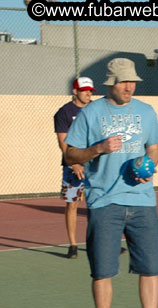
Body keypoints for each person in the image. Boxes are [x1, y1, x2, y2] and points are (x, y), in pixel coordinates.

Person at [65, 58, 158, 308]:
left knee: (150, 269)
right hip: (104, 200)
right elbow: (70, 154)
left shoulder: (146, 111)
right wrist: (98, 149)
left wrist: (150, 166)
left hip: (142, 200)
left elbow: (154, 148)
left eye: (133, 82)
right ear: (110, 83)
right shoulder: (91, 113)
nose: (129, 86)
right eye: (123, 82)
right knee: (103, 270)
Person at [54, 77, 96, 259]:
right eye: (84, 90)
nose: (88, 93)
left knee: (100, 205)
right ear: (75, 91)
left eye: (90, 90)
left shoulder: (97, 109)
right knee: (72, 204)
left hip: (95, 165)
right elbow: (63, 143)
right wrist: (74, 163)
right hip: (73, 167)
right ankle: (72, 245)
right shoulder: (64, 112)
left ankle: (101, 242)